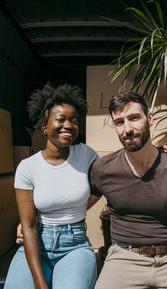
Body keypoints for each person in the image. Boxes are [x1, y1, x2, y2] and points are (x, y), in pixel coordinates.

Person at [89, 92, 167, 289]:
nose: (127, 129)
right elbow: (75, 207)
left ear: (149, 120)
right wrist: (32, 221)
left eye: (134, 118)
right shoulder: (103, 170)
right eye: (119, 122)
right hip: (124, 259)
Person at [4, 83, 98, 289]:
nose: (69, 125)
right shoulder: (28, 167)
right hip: (35, 241)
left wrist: (78, 206)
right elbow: (27, 226)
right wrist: (40, 284)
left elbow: (104, 185)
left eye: (74, 121)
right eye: (61, 119)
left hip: (75, 246)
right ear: (44, 126)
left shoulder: (87, 155)